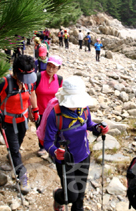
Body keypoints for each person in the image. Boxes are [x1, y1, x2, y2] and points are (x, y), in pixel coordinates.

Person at [44, 76, 109, 211]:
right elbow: (48, 142)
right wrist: (55, 152)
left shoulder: (84, 109)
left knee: (80, 196)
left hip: (84, 156)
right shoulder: (55, 115)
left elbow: (89, 125)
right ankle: (58, 196)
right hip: (65, 160)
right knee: (71, 196)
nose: (77, 104)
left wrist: (98, 128)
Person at [0, 55, 38, 195]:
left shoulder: (29, 82)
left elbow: (32, 94)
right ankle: (22, 175)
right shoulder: (4, 82)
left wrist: (35, 110)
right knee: (15, 149)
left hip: (23, 120)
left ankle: (11, 155)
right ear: (16, 72)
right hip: (7, 122)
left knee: (18, 142)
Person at [34, 55, 63, 156]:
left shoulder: (59, 79)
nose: (50, 69)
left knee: (52, 131)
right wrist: (32, 109)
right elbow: (31, 93)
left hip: (54, 111)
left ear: (58, 68)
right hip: (40, 110)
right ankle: (42, 147)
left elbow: (61, 95)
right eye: (49, 66)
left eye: (54, 67)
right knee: (41, 128)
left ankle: (52, 148)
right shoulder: (38, 76)